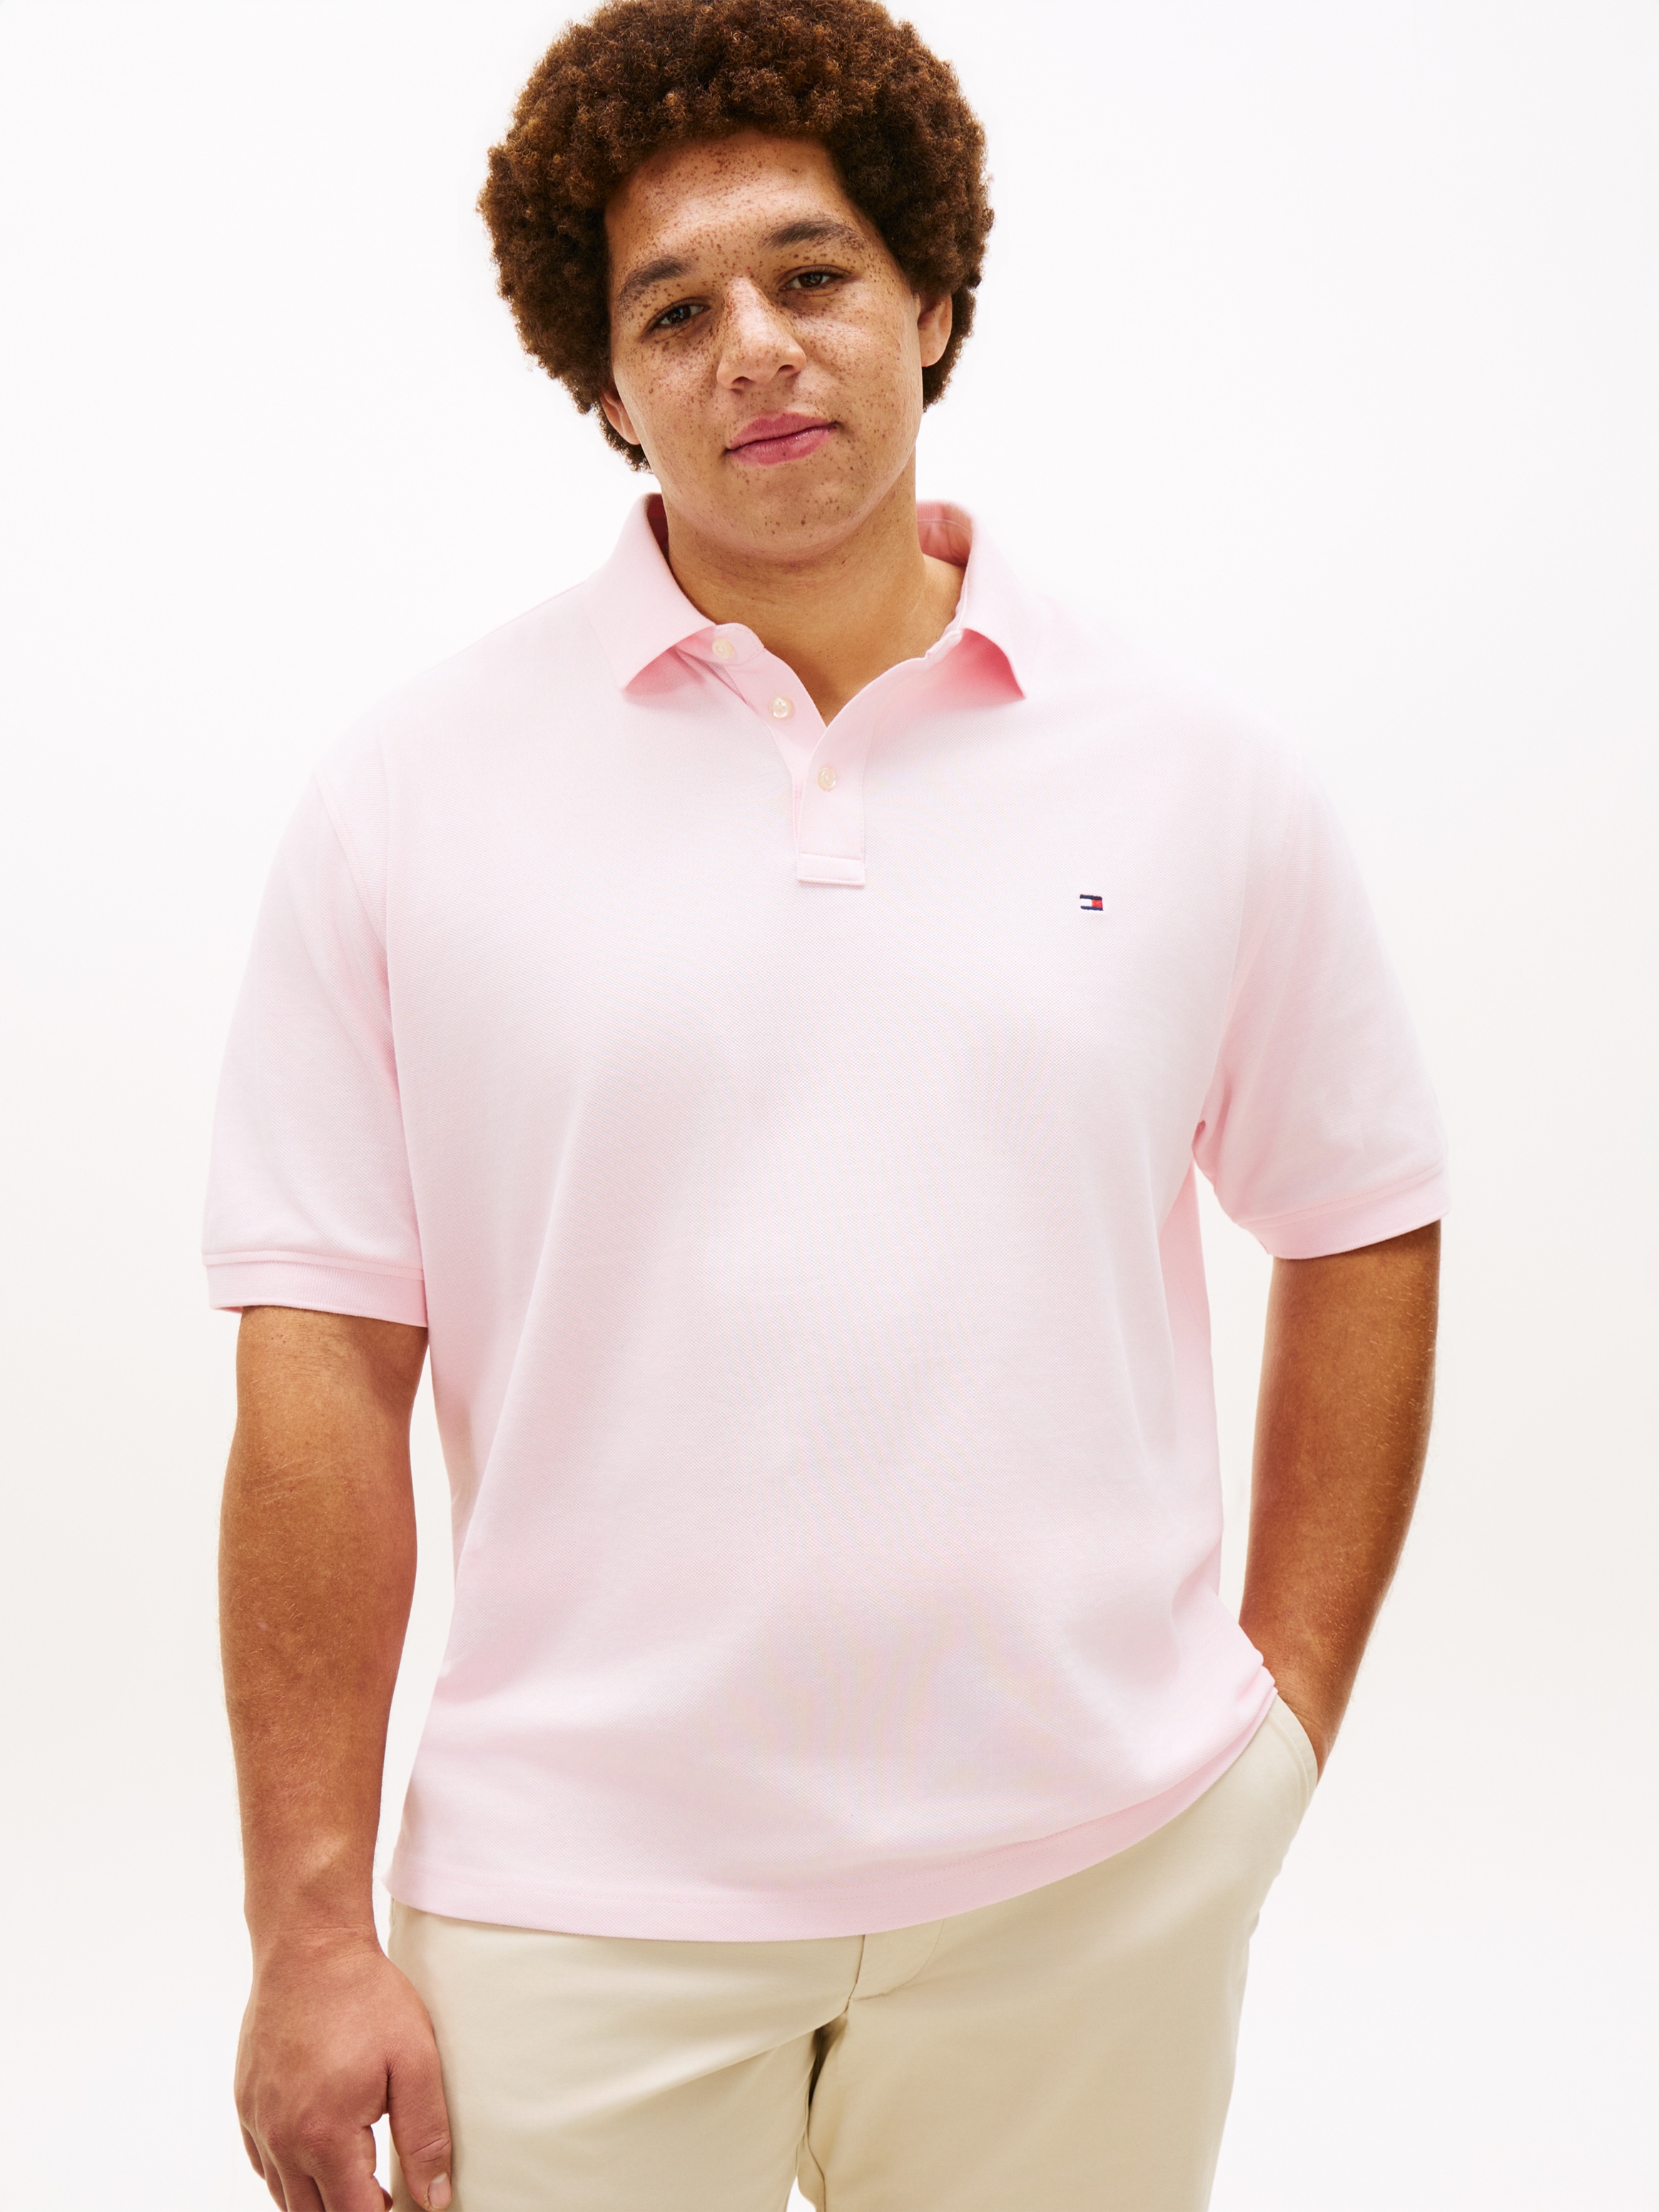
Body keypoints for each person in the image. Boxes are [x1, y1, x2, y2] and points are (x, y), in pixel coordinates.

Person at [208, 2, 1446, 2207]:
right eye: (673, 311)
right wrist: (307, 1930)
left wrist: (1283, 1719)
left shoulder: (1196, 770)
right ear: (607, 384)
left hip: (1095, 1881)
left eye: (812, 273)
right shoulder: (410, 796)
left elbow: (1360, 1211)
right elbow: (321, 1358)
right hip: (573, 1907)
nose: (753, 349)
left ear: (931, 297)